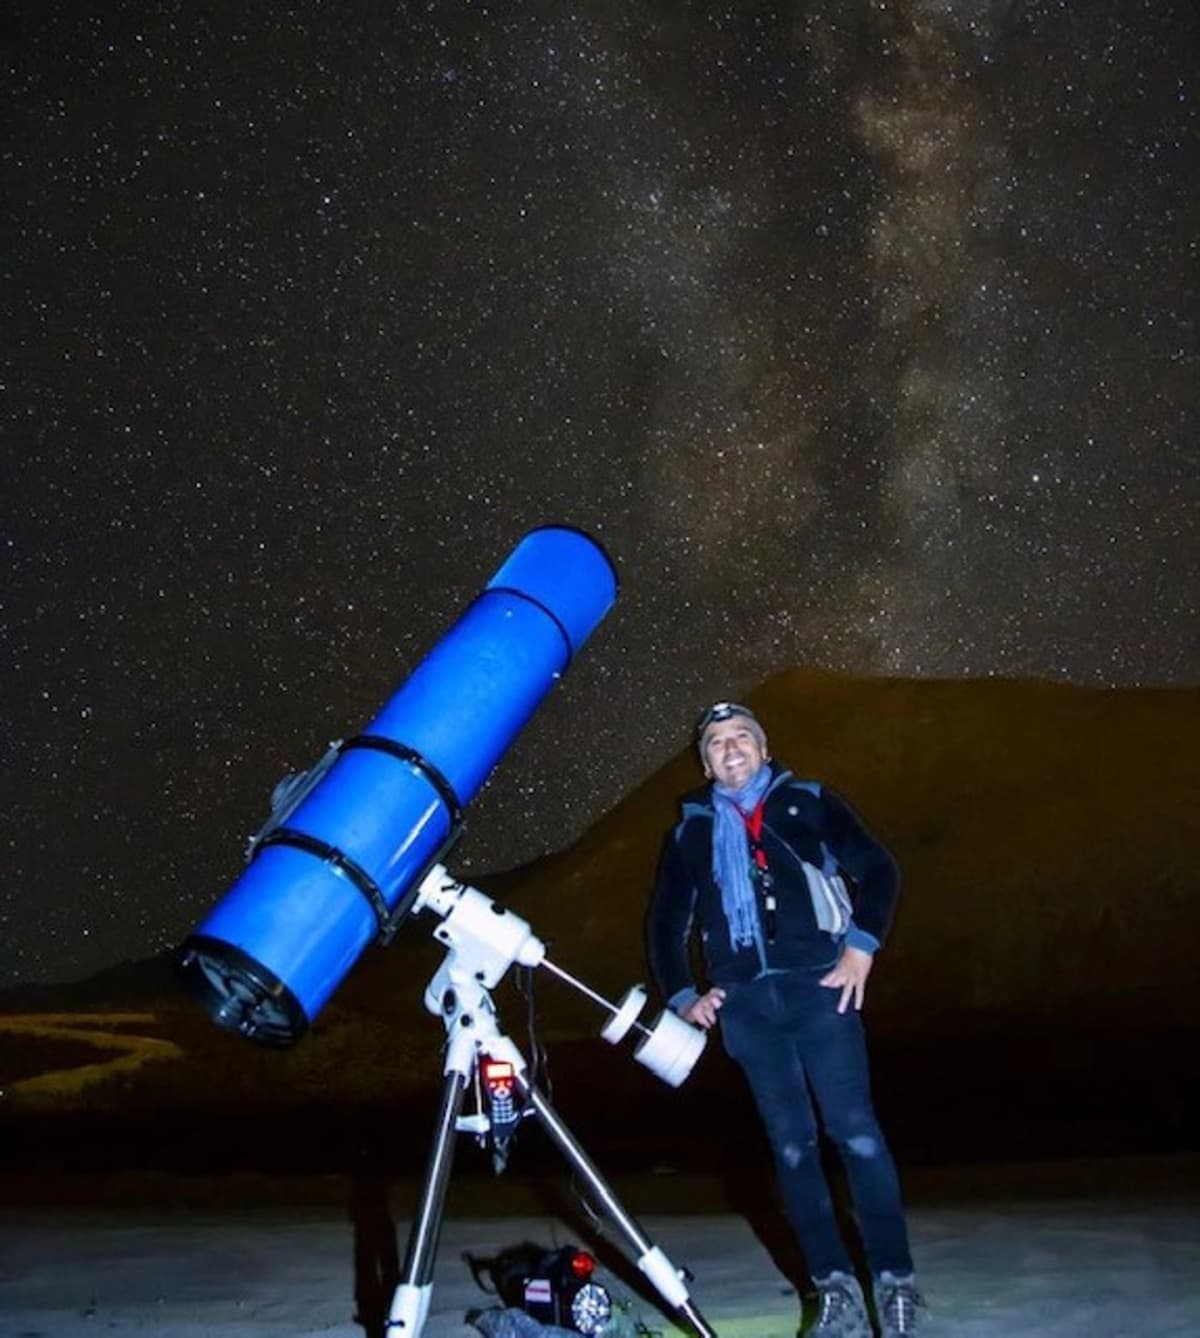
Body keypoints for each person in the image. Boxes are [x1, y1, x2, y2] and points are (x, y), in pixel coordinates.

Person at [647, 701, 924, 1338]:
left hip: (819, 988)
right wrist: (684, 993)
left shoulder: (810, 802)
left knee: (856, 1135)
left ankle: (895, 1284)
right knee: (792, 1148)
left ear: (764, 750)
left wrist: (861, 947)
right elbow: (666, 923)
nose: (731, 747)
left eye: (742, 736)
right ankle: (834, 1291)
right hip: (746, 1005)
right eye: (716, 742)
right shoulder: (690, 830)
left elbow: (879, 869)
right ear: (706, 762)